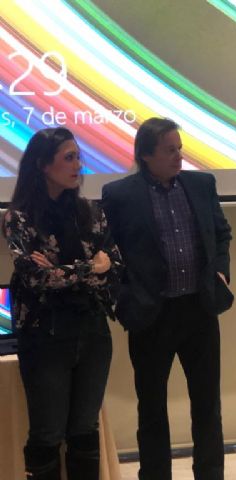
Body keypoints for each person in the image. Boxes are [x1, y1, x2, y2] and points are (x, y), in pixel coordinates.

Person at [102, 117, 232, 480]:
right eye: (169, 150)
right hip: (150, 315)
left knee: (207, 403)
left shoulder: (201, 185)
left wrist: (221, 271)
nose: (179, 157)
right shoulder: (120, 195)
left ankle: (210, 474)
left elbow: (221, 234)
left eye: (180, 149)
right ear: (146, 155)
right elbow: (108, 251)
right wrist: (122, 298)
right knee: (152, 408)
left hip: (199, 310)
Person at [2, 127, 122, 480]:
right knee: (47, 433)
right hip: (45, 337)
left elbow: (115, 268)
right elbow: (36, 278)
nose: (78, 165)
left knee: (85, 430)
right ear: (43, 164)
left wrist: (66, 270)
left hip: (93, 332)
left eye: (78, 157)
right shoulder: (19, 218)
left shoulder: (92, 212)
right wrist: (90, 267)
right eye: (69, 158)